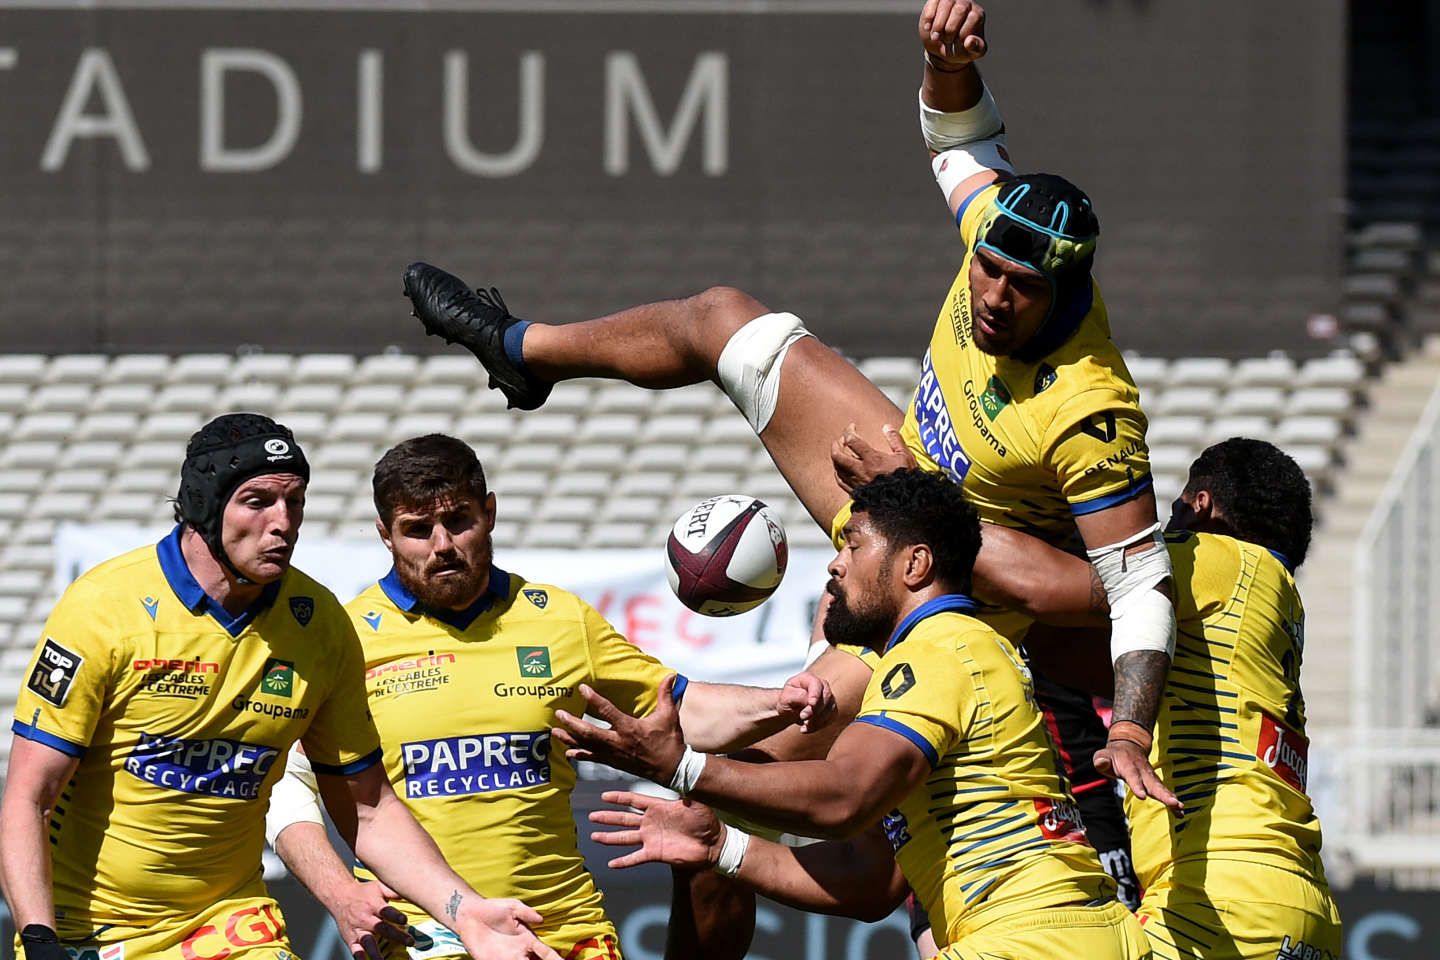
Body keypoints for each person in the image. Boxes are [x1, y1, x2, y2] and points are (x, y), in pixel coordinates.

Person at [403, 0, 1171, 947]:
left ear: (1070, 289)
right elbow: (958, 136)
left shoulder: (1091, 408)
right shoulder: (993, 224)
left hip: (966, 581)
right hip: (901, 493)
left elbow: (1119, 595)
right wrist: (947, 63)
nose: (993, 296)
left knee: (767, 768)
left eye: (1023, 288)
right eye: (986, 270)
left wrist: (1127, 728)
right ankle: (525, 349)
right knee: (729, 320)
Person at [0, 414, 561, 960]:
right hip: (87, 930)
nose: (284, 522)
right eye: (258, 501)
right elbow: (29, 798)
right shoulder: (104, 609)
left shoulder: (318, 623)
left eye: (294, 502)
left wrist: (460, 909)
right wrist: (40, 936)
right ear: (205, 507)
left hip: (227, 921)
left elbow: (367, 808)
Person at [263, 434, 837, 960]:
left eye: (459, 521)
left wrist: (780, 703)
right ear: (386, 534)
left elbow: (680, 709)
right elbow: (289, 782)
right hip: (430, 937)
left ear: (489, 512)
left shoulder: (560, 619)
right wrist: (341, 891)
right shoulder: (347, 637)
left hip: (567, 932)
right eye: (417, 530)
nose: (442, 545)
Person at [555, 469, 1151, 959]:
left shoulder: (935, 652)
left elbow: (842, 795)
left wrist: (683, 767)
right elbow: (868, 881)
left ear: (914, 566)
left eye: (854, 544)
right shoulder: (949, 652)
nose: (835, 565)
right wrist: (722, 848)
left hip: (1030, 938)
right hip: (1062, 932)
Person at [961, 438, 1341, 959]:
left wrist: (932, 514)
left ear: (1199, 504)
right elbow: (1075, 653)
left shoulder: (1214, 556)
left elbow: (1042, 586)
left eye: (1177, 506)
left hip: (1220, 895)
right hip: (1298, 896)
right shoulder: (1273, 600)